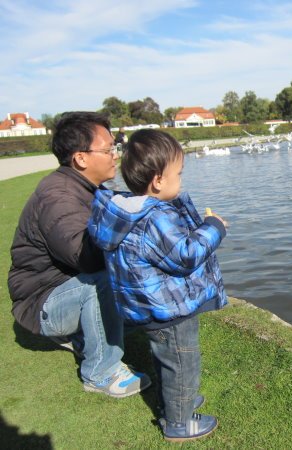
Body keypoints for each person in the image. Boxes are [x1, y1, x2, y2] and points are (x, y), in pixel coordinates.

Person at [87, 129, 228, 442]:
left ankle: (175, 402)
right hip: (168, 309)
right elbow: (186, 255)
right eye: (178, 173)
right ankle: (179, 421)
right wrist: (214, 228)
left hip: (147, 307)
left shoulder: (128, 210)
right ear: (158, 181)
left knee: (167, 359)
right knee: (182, 363)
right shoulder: (153, 219)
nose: (181, 179)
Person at [8, 111, 151, 398]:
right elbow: (85, 258)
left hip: (62, 290)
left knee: (127, 279)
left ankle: (83, 334)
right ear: (81, 158)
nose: (115, 155)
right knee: (102, 279)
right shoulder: (58, 197)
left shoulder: (86, 187)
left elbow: (119, 207)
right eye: (109, 149)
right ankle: (100, 372)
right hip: (42, 302)